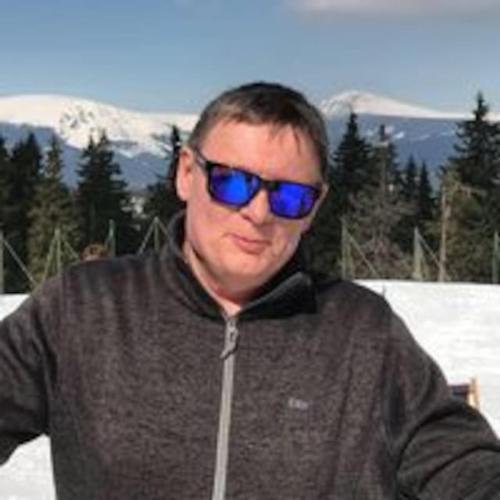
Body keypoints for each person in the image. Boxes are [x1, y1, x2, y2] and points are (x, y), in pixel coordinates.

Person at [1, 82, 500, 500]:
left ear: (314, 207)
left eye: (290, 196)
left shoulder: (363, 334)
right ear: (187, 174)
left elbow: (461, 464)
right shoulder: (86, 309)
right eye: (233, 184)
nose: (258, 213)